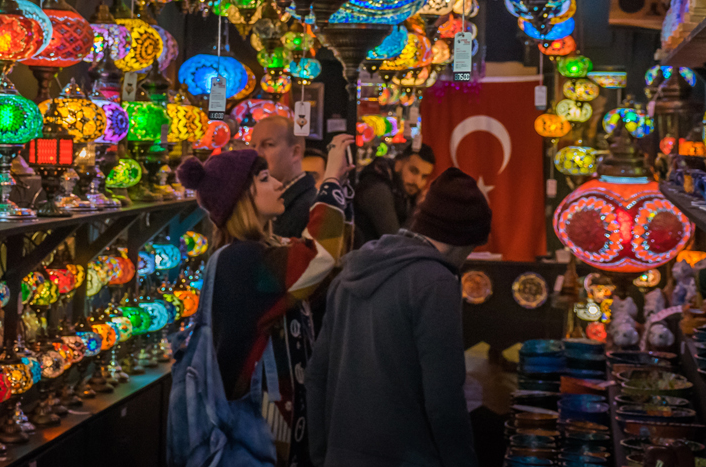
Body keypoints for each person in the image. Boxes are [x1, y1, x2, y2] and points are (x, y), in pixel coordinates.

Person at [168, 135, 355, 467]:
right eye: (265, 178)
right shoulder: (242, 261)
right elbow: (319, 257)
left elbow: (333, 254)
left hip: (272, 431)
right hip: (255, 436)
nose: (279, 183)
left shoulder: (263, 251)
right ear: (241, 196)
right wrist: (328, 183)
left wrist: (337, 185)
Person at [305, 168, 492, 467]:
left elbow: (316, 376)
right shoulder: (435, 282)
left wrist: (321, 454)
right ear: (462, 240)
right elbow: (444, 399)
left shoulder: (349, 273)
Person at [353, 144, 436, 245]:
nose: (417, 182)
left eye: (424, 177)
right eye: (413, 171)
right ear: (398, 164)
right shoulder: (378, 190)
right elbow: (396, 243)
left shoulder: (402, 191)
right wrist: (419, 209)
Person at [251, 115, 314, 238]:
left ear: (295, 152)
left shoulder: (311, 206)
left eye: (268, 145)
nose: (257, 153)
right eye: (253, 146)